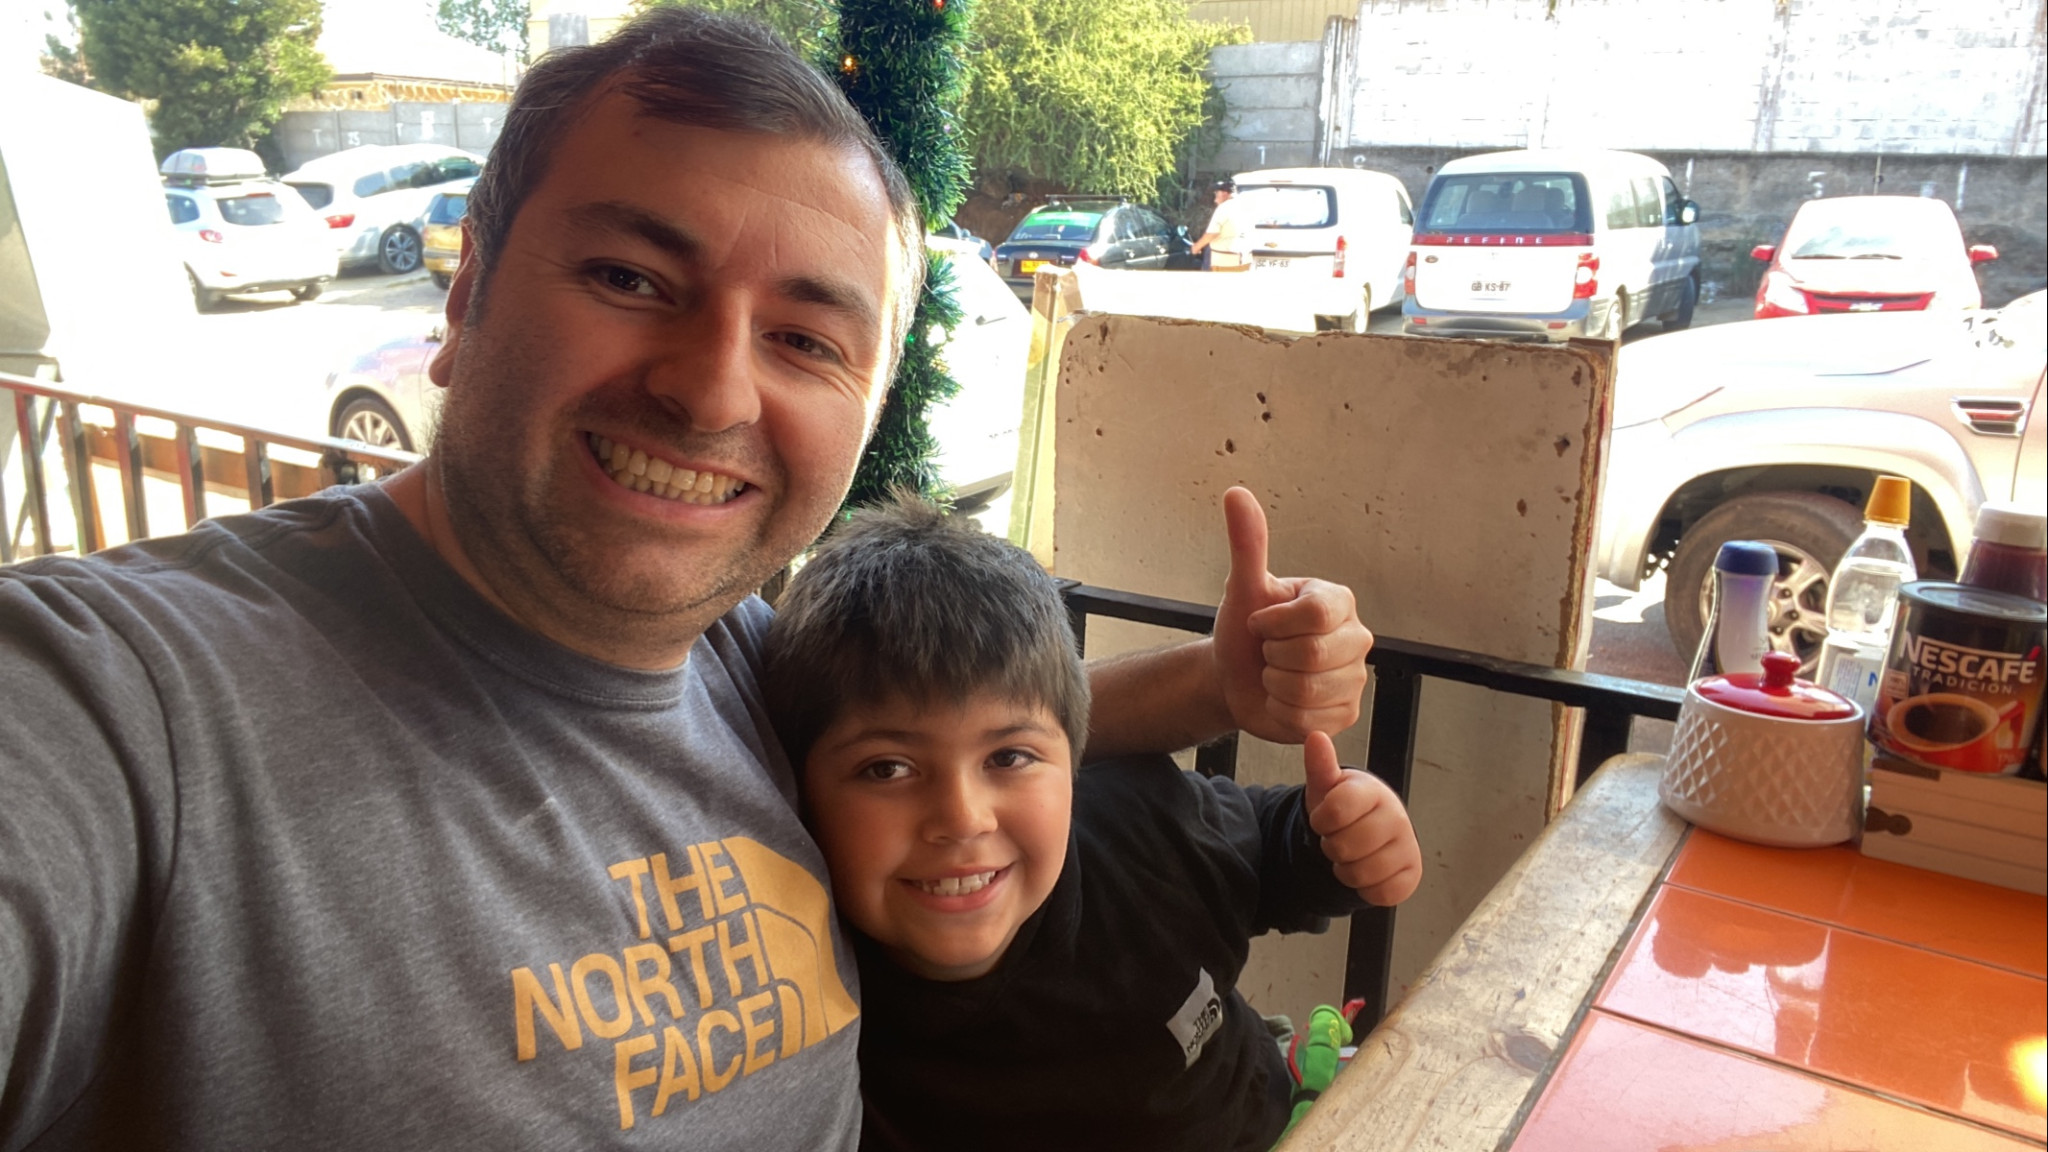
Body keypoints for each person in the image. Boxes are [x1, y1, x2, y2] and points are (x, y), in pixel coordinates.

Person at [0, 10, 1375, 1149]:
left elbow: (965, 733)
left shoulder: (740, 661)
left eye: (805, 339)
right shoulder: (122, 706)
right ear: (465, 295)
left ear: (865, 409)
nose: (713, 393)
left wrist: (1216, 683)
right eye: (628, 276)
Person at [763, 498, 1421, 1152]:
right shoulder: (786, 994)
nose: (962, 818)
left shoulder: (1140, 828)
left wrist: (1346, 840)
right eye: (888, 769)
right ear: (797, 792)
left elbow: (1276, 848)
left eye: (1008, 757)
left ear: (1075, 759)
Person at [1189, 179, 1251, 271]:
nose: (1215, 199)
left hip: (1226, 261)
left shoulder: (1224, 208)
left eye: (1217, 193)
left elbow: (1212, 233)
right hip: (1245, 260)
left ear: (1225, 193)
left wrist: (1196, 247)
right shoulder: (1245, 206)